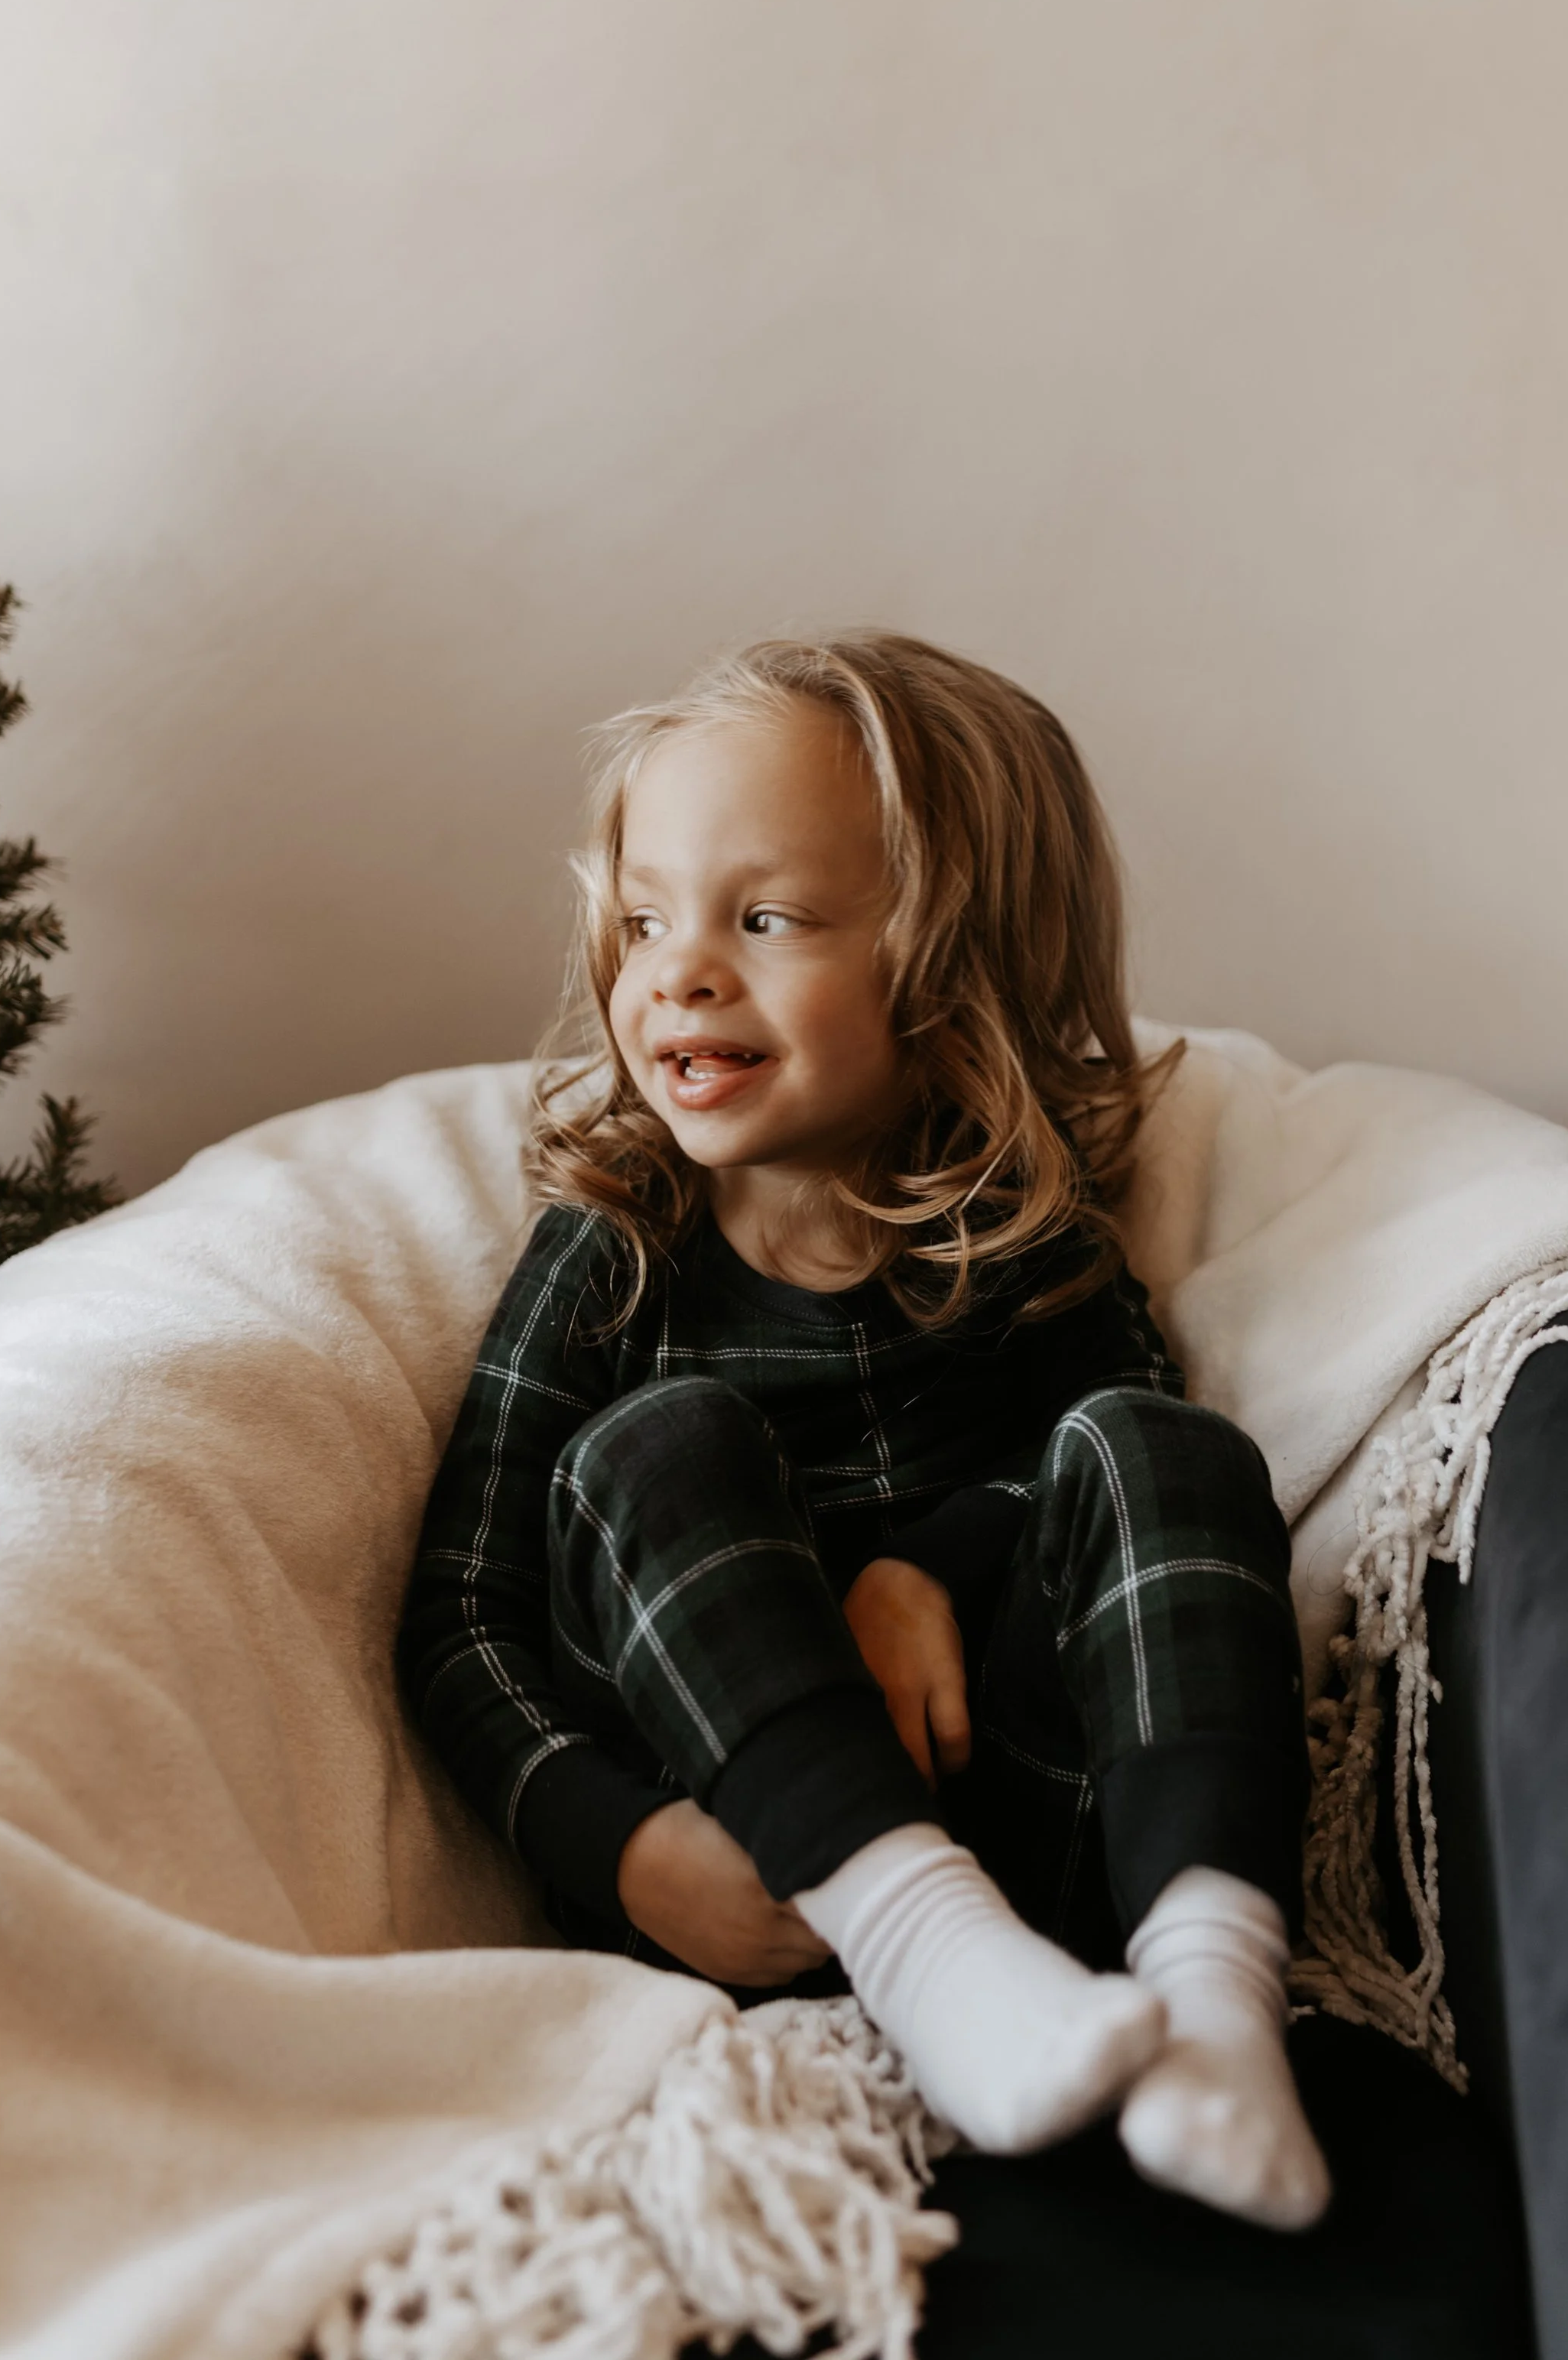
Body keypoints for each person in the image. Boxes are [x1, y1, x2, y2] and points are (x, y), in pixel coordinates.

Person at [398, 631, 1329, 2229]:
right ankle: (922, 1948)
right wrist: (621, 1851)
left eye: (761, 920)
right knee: (657, 1440)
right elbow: (460, 1614)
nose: (676, 971)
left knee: (1163, 1447)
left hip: (1042, 1853)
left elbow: (1110, 1513)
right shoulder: (613, 1248)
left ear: (949, 965)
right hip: (746, 1871)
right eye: (641, 921)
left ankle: (1209, 2005)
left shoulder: (1020, 1232)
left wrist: (921, 1567)